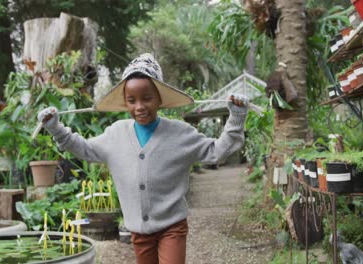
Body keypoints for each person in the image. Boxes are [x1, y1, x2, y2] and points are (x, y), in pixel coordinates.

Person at [38, 53, 248, 264]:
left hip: (172, 226)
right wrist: (56, 129)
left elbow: (216, 151)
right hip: (138, 230)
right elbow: (84, 149)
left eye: (147, 98)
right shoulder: (115, 135)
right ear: (125, 102)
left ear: (159, 99)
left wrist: (236, 118)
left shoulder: (180, 134)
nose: (139, 106)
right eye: (132, 100)